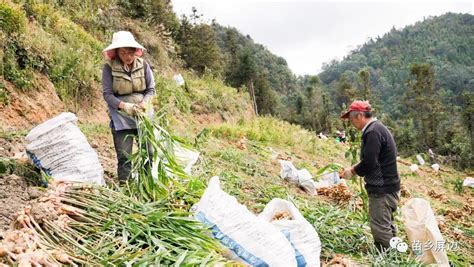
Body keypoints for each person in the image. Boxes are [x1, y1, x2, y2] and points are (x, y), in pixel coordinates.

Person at [338, 100, 400, 251]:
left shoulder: (372, 131)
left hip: (382, 189)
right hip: (388, 187)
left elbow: (370, 162)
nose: (351, 123)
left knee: (380, 227)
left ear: (359, 115)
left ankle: (388, 256)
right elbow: (372, 159)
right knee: (386, 224)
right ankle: (393, 253)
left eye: (351, 119)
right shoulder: (376, 129)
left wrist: (352, 171)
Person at [102, 31, 155, 183]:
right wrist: (125, 106)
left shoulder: (143, 65)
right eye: (123, 52)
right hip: (121, 116)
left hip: (143, 115)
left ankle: (146, 183)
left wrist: (144, 102)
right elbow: (107, 95)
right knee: (125, 155)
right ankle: (126, 186)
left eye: (130, 52)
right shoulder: (109, 68)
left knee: (148, 152)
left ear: (135, 51)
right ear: (116, 53)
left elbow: (150, 89)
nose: (128, 56)